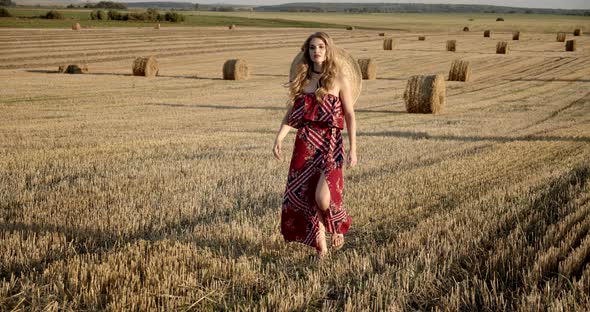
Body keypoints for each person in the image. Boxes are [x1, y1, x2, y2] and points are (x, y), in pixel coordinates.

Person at [273, 32, 357, 259]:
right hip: (305, 142)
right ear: (307, 52)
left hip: (330, 143)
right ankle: (321, 246)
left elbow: (349, 115)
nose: (316, 51)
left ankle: (336, 225)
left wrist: (353, 149)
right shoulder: (303, 79)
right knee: (306, 196)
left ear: (328, 50)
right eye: (312, 48)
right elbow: (293, 114)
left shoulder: (339, 79)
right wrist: (279, 138)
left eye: (321, 47)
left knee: (322, 197)